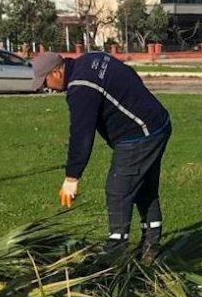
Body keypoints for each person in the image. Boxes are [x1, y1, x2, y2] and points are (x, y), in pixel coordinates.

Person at [33, 51, 172, 262]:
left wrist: (72, 177)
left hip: (139, 134)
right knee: (144, 188)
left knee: (118, 190)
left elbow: (81, 133)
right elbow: (129, 73)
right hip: (157, 123)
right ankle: (151, 248)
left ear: (57, 72)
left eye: (46, 81)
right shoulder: (91, 59)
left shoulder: (81, 87)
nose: (48, 87)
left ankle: (116, 249)